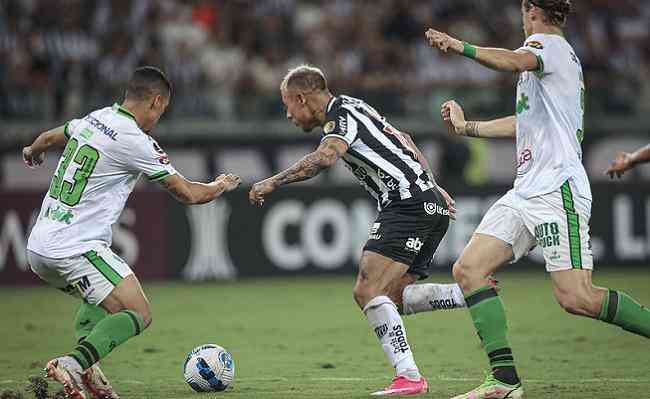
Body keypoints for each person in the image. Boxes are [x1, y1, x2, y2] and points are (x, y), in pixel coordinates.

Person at [426, 1, 650, 398]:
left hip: (557, 187)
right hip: (526, 189)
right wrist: (466, 128)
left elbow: (513, 61)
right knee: (469, 269)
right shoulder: (548, 60)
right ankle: (504, 381)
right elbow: (524, 121)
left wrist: (459, 46)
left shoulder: (548, 47)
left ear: (530, 9)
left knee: (576, 297)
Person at [249, 65, 469, 396]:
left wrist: (273, 181)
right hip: (428, 203)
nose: (288, 115)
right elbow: (405, 140)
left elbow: (324, 158)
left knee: (367, 289)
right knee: (391, 297)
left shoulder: (339, 119)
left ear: (300, 98)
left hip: (406, 203)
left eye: (287, 105)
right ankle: (470, 293)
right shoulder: (356, 104)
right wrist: (433, 186)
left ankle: (408, 376)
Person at [23, 66, 241, 399]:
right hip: (75, 248)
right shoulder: (135, 140)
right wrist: (219, 185)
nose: (159, 118)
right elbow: (188, 194)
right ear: (155, 102)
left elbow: (56, 134)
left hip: (39, 247)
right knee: (138, 312)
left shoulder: (97, 118)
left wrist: (34, 148)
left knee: (99, 300)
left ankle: (90, 373)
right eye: (162, 110)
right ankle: (72, 364)